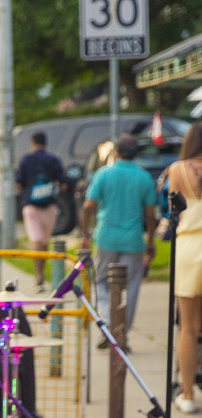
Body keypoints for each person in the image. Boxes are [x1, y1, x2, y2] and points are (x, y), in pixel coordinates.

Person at [79, 133, 159, 342]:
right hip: (133, 240)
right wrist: (150, 240)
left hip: (106, 237)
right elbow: (150, 214)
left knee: (100, 282)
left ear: (116, 152)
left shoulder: (103, 174)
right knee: (131, 287)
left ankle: (107, 321)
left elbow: (88, 206)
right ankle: (122, 331)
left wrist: (84, 234)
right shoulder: (143, 177)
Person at [159, 122, 202, 412]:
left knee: (188, 327)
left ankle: (187, 395)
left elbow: (172, 209)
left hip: (189, 245)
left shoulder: (177, 169)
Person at [16, 131, 67, 288]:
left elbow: (18, 183)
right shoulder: (53, 160)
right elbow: (63, 184)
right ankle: (41, 274)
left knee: (36, 240)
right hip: (50, 207)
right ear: (46, 143)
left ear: (32, 142)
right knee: (44, 241)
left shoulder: (26, 160)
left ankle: (39, 276)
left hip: (31, 207)